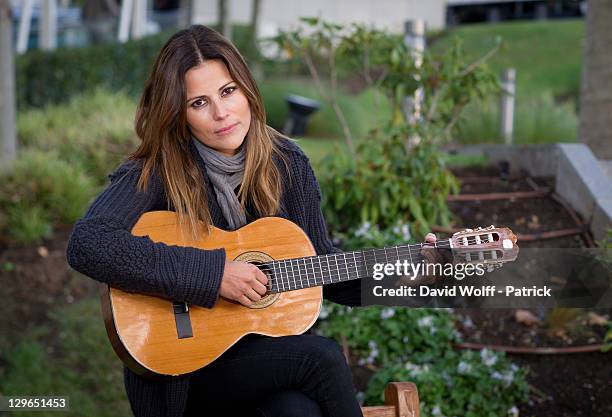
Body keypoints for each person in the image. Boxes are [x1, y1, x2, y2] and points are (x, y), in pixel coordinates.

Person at [66, 25, 439, 417]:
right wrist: (214, 275)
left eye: (228, 92)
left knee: (297, 412)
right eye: (199, 103)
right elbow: (89, 243)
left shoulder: (287, 163)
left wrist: (400, 274)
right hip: (186, 377)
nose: (221, 113)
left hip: (266, 363)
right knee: (322, 357)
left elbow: (322, 268)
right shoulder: (157, 170)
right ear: (178, 113)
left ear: (246, 88)